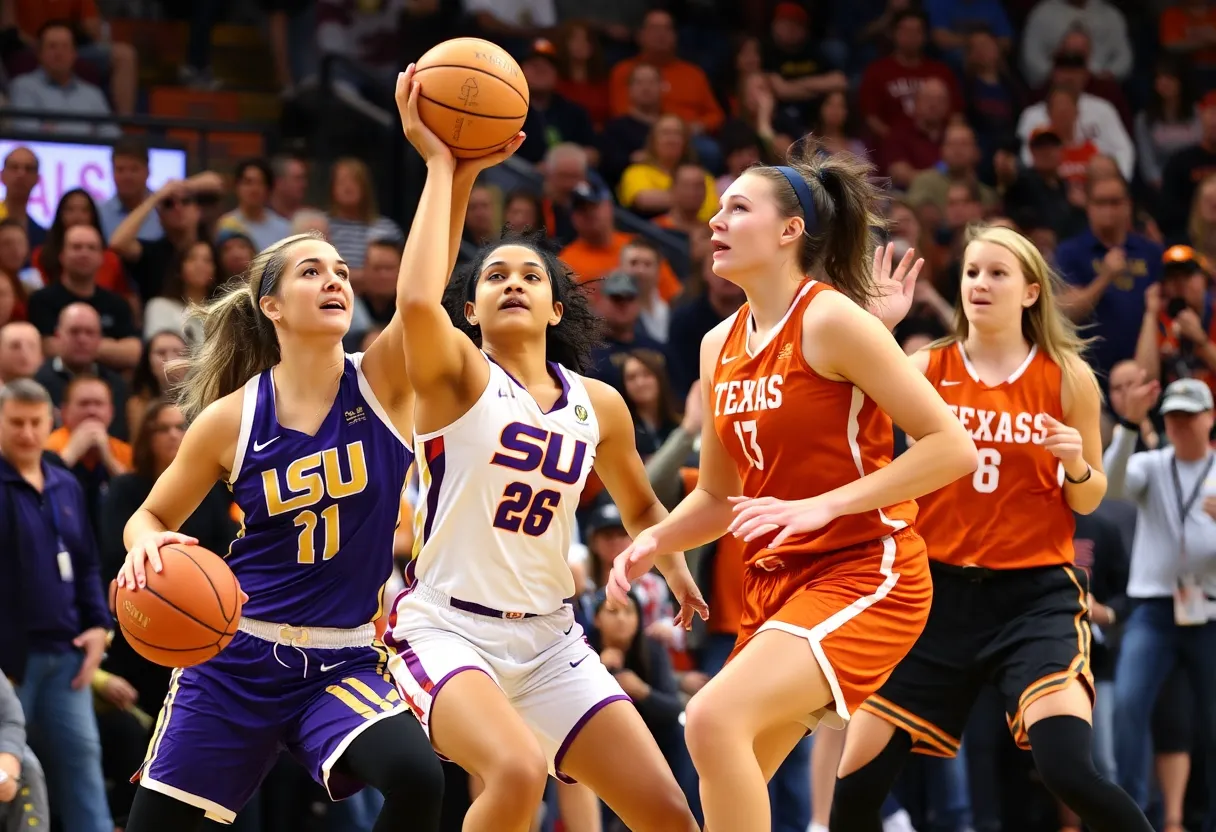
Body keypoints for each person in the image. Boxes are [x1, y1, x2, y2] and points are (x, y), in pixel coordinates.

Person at [605, 145, 979, 832]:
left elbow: (953, 446)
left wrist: (822, 505)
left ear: (789, 231)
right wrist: (657, 540)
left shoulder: (832, 319)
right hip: (779, 587)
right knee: (720, 744)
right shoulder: (718, 345)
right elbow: (720, 499)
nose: (716, 219)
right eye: (716, 208)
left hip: (869, 569)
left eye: (737, 207)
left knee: (712, 718)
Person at [386, 65, 705, 832]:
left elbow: (641, 504)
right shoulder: (458, 377)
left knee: (669, 812)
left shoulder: (599, 404)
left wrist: (678, 568)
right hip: (446, 627)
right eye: (494, 276)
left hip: (552, 637)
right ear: (471, 310)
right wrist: (445, 168)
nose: (512, 282)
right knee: (518, 772)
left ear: (558, 305)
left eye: (531, 274)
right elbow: (413, 301)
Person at [112, 227, 450, 832]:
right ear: (271, 305)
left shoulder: (382, 383)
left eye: (342, 272)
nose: (335, 280)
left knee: (418, 776)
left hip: (341, 662)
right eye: (312, 271)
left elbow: (421, 295)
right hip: (236, 655)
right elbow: (150, 516)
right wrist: (144, 543)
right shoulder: (231, 419)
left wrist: (451, 167)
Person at [828, 225, 1153, 832]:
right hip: (932, 597)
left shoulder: (1068, 377)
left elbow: (1088, 500)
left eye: (997, 273)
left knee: (1069, 771)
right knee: (854, 793)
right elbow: (843, 413)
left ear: (1031, 292)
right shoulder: (926, 365)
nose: (980, 283)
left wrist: (1076, 463)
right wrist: (875, 330)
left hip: (1033, 597)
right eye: (973, 271)